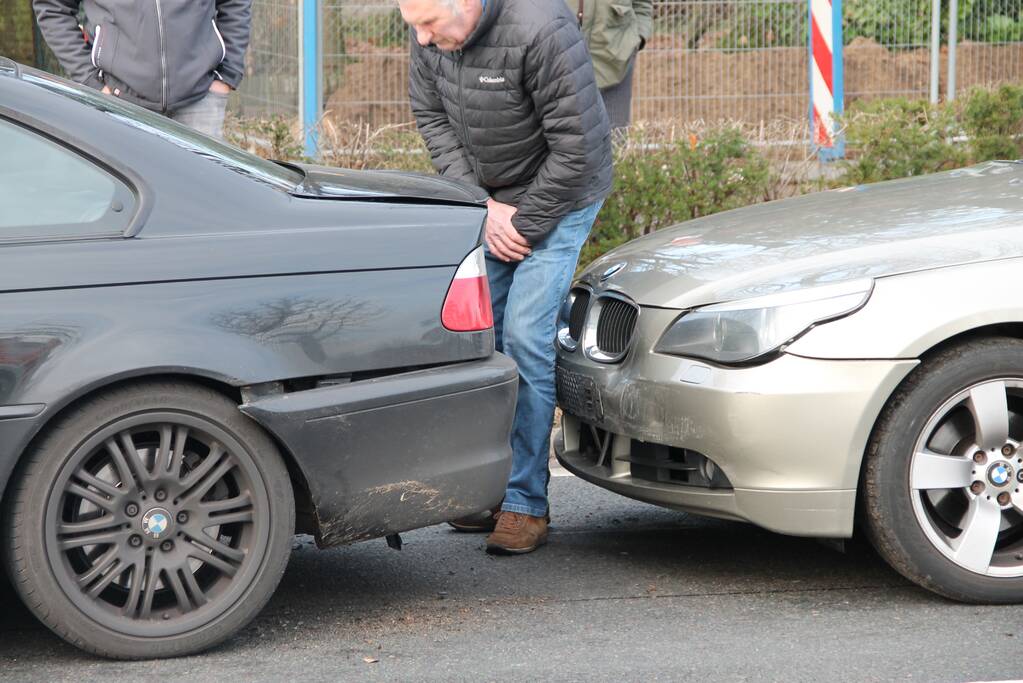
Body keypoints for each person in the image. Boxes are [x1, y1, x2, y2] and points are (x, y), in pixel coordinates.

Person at [400, 0, 613, 555]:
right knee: (478, 337)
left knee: (522, 336)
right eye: (413, 26)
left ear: (465, 5)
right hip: (493, 204)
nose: (420, 41)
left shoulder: (542, 27)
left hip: (561, 197)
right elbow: (432, 119)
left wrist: (522, 221)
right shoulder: (430, 33)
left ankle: (525, 504)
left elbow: (579, 148)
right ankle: (489, 489)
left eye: (428, 25)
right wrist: (482, 204)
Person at [33, 0, 251, 139]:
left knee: (204, 197)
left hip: (200, 97)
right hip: (119, 102)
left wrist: (227, 75)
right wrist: (92, 81)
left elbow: (235, 4)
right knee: (135, 204)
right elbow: (52, 7)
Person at [569, 0, 652, 130]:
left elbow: (642, 5)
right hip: (562, 66)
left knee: (615, 141)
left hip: (617, 63)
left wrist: (638, 39)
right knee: (566, 141)